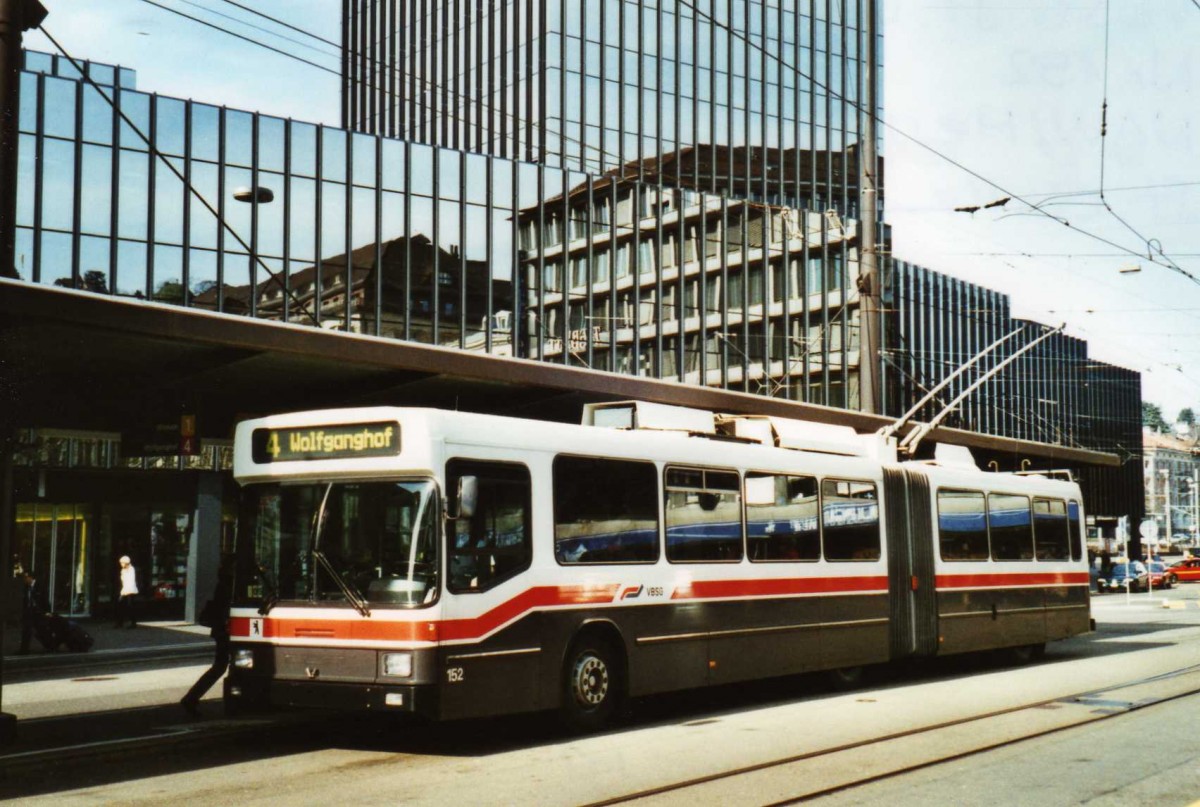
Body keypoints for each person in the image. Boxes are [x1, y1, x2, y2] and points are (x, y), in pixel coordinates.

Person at [181, 561, 233, 718]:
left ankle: (191, 698)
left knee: (220, 666)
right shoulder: (230, 586)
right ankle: (191, 698)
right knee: (222, 666)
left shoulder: (222, 584)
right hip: (227, 630)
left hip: (221, 630)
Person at [19, 570, 49, 654]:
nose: (24, 580)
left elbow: (45, 599)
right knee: (26, 629)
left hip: (38, 612)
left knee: (42, 630)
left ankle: (49, 645)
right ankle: (24, 649)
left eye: (26, 578)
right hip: (29, 612)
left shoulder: (40, 586)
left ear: (30, 578)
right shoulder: (26, 587)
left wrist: (47, 611)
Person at [114, 555, 138, 628]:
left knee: (130, 607)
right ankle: (120, 622)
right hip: (125, 590)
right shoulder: (123, 570)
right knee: (120, 605)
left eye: (122, 563)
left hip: (130, 591)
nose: (121, 564)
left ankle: (132, 623)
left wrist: (125, 591)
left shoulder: (131, 569)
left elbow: (130, 581)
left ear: (126, 563)